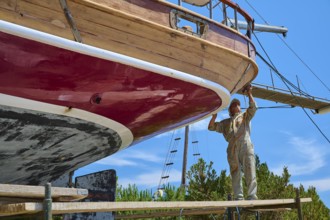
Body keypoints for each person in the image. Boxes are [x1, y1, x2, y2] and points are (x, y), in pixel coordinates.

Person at [208, 85, 258, 200]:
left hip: (245, 144)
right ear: (230, 110)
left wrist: (249, 94)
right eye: (234, 104)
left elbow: (253, 108)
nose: (236, 106)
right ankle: (239, 197)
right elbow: (211, 127)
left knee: (250, 169)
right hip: (232, 148)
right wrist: (214, 116)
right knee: (235, 173)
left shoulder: (245, 116)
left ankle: (252, 196)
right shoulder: (225, 123)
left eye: (238, 104)